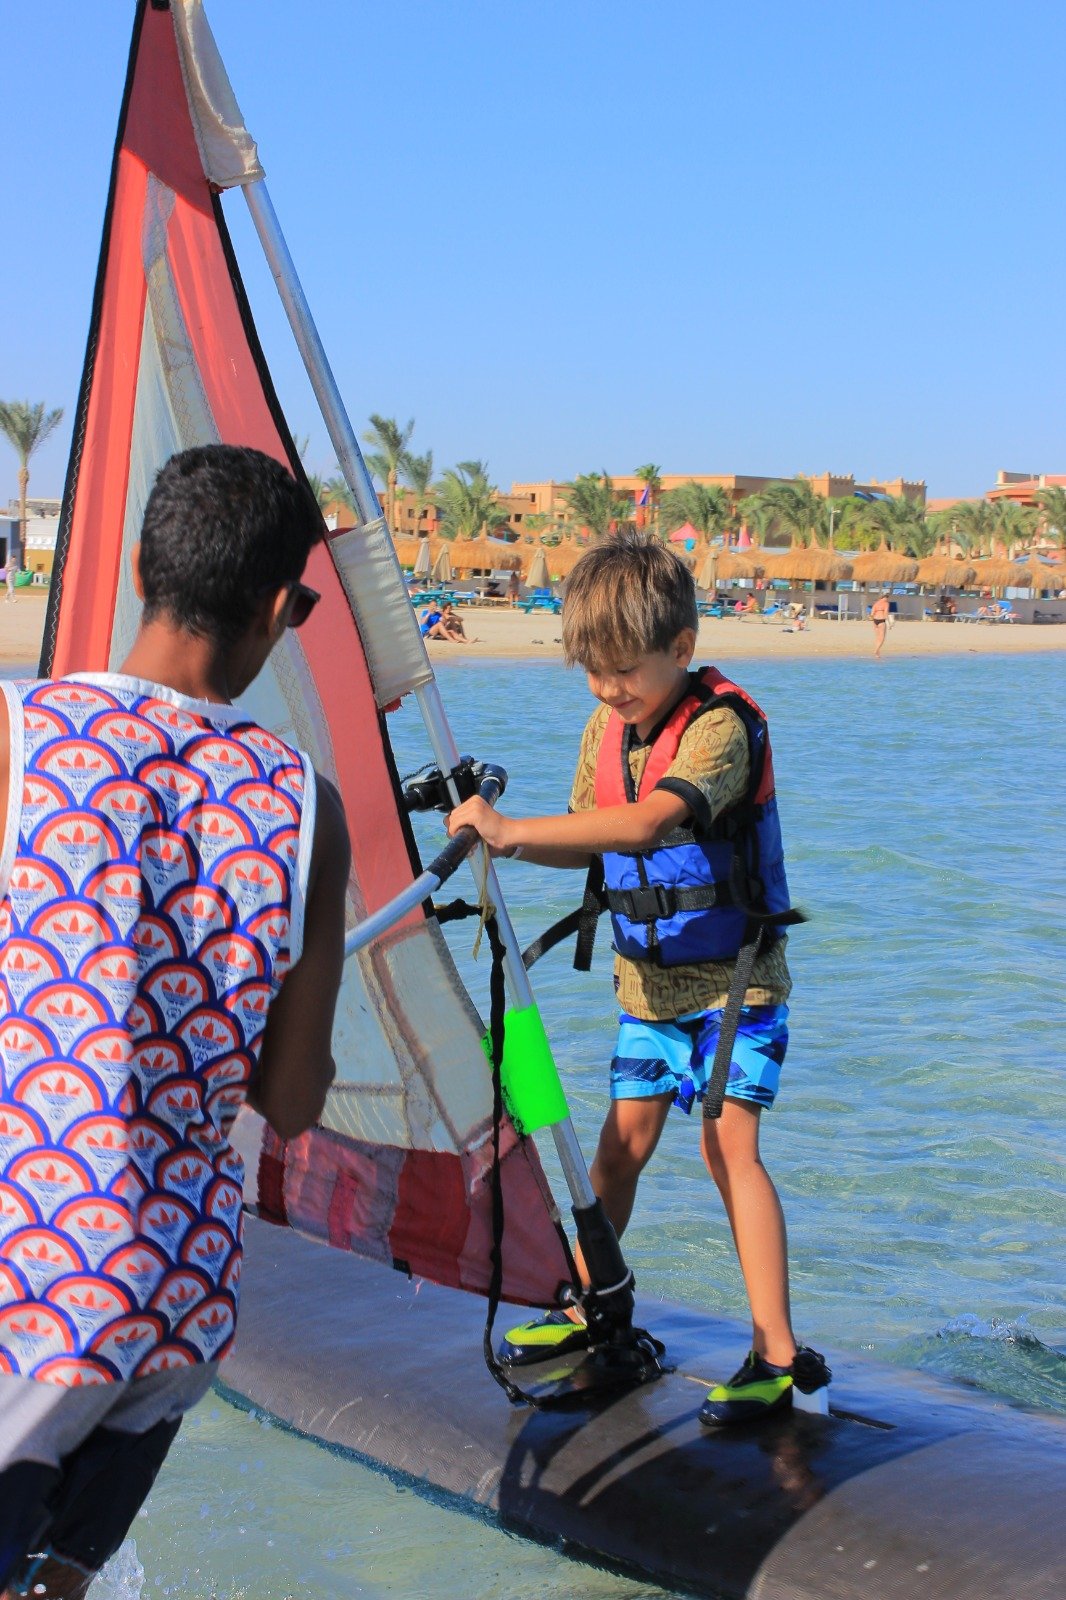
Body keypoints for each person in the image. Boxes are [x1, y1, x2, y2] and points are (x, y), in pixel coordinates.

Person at [0, 445, 350, 1596]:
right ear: (274, 607)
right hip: (175, 1308)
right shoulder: (307, 805)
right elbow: (293, 1102)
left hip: (31, 1285)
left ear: (141, 564)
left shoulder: (20, 740)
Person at [446, 530, 828, 1427]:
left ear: (682, 650)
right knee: (618, 1147)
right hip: (646, 990)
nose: (609, 691)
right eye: (592, 673)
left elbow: (650, 824)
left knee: (729, 1149)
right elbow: (589, 836)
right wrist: (494, 844)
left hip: (740, 986)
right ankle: (590, 1305)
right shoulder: (603, 728)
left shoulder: (722, 731)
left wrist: (509, 828)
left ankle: (774, 1350)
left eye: (625, 672)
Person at [870, 593, 890, 657]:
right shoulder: (886, 603)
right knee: (882, 638)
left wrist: (873, 620)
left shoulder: (876, 603)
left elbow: (872, 614)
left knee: (877, 638)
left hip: (875, 620)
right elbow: (886, 613)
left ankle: (877, 654)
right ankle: (876, 650)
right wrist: (889, 623)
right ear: (886, 597)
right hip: (881, 620)